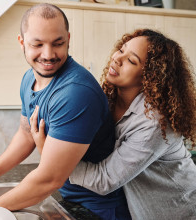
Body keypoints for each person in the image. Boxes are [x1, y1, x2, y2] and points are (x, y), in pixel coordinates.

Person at [0, 3, 131, 219]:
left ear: (68, 39)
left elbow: (48, 180)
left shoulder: (76, 93)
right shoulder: (29, 79)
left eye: (58, 43)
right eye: (37, 44)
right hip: (71, 198)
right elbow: (26, 133)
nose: (48, 55)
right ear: (22, 42)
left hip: (101, 209)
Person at [30, 28, 196, 219]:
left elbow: (104, 180)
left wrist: (51, 156)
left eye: (131, 60)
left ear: (150, 77)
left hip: (178, 210)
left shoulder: (155, 124)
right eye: (121, 50)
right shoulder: (107, 99)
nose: (117, 58)